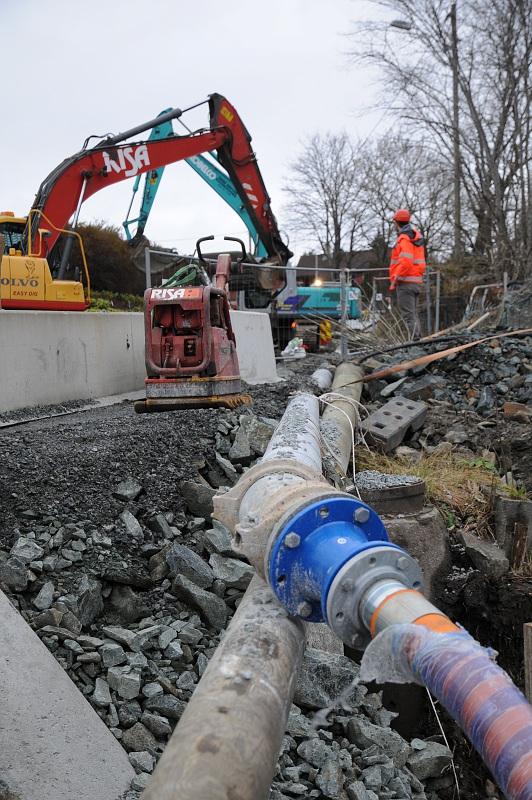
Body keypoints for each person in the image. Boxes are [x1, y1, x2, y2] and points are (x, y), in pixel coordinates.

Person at [389, 209, 426, 339]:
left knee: (408, 315)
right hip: (416, 282)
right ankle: (417, 340)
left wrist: (396, 279)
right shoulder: (415, 238)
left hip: (405, 282)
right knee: (413, 314)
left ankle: (415, 341)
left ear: (396, 222)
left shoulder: (404, 239)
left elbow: (406, 262)